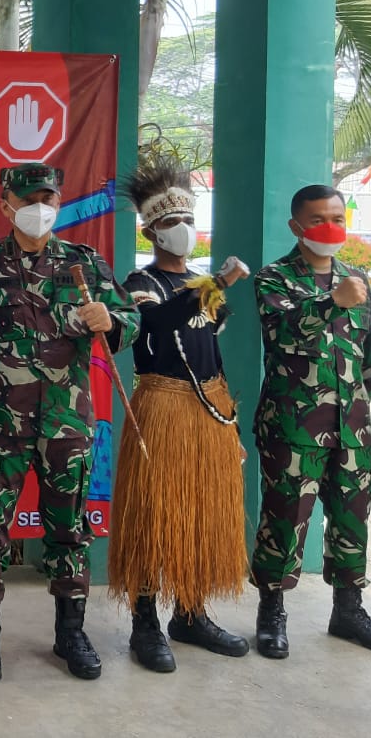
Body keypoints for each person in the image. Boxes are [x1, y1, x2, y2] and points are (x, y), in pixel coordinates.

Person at [0, 162, 138, 682]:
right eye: (29, 198)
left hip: (67, 422)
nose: (40, 208)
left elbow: (128, 317)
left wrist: (112, 319)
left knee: (69, 529)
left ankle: (71, 632)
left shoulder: (84, 263)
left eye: (49, 198)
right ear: (5, 204)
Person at [110, 159, 249, 672]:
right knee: (153, 511)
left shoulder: (199, 282)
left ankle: (191, 613)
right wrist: (214, 284)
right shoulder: (138, 282)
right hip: (161, 403)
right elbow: (157, 323)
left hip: (209, 407)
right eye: (170, 224)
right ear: (150, 231)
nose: (183, 231)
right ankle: (145, 621)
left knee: (202, 510)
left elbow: (211, 350)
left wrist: (228, 420)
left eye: (187, 220)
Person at [250, 184, 371, 659]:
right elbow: (281, 331)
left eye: (337, 217)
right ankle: (271, 610)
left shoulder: (359, 281)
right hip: (293, 426)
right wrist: (332, 301)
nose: (330, 227)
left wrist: (361, 408)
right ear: (297, 227)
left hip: (352, 426)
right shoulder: (274, 279)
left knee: (352, 517)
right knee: (285, 517)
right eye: (318, 219)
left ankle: (348, 610)